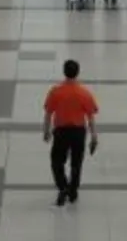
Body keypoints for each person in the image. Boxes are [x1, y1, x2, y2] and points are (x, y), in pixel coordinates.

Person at [43, 59, 99, 206]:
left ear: (64, 72)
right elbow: (91, 117)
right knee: (76, 163)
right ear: (77, 73)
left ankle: (63, 186)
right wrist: (94, 137)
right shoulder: (84, 93)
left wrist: (46, 131)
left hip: (61, 132)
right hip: (78, 132)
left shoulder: (56, 92)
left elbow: (48, 113)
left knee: (57, 161)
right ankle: (73, 191)